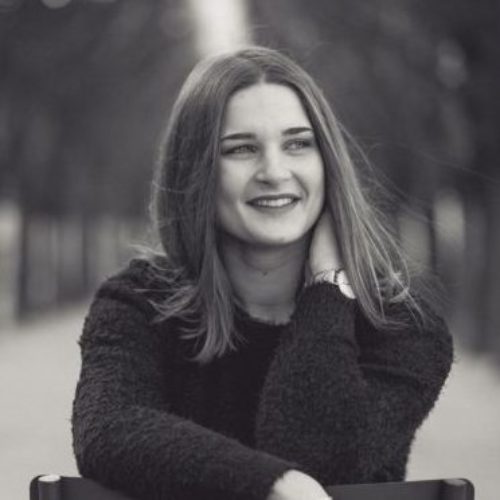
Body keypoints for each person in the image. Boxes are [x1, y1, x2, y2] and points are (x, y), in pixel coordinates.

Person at [71, 46, 453, 500]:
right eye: (241, 149)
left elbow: (319, 457)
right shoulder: (137, 303)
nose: (274, 171)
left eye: (298, 144)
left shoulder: (402, 326)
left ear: (328, 162)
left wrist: (328, 286)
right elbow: (108, 427)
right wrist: (274, 484)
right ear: (195, 170)